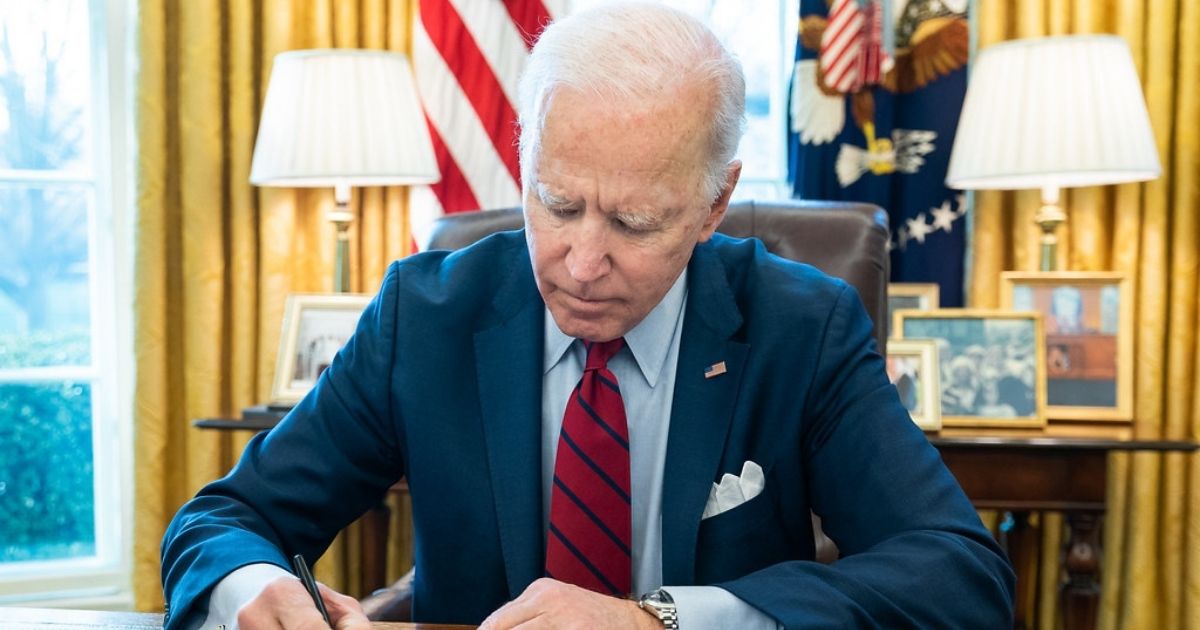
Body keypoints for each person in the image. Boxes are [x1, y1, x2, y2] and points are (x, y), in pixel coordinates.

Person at [159, 4, 1014, 629]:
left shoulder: (802, 330)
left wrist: (665, 620)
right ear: (525, 160)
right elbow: (224, 522)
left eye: (634, 223)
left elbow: (958, 576)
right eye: (558, 205)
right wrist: (250, 590)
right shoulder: (426, 318)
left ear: (715, 204)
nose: (582, 261)